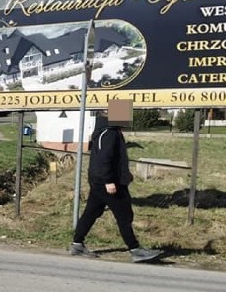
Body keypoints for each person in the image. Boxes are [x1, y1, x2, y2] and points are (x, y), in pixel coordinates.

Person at [70, 105, 163, 263]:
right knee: (124, 215)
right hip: (108, 183)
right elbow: (104, 159)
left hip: (98, 181)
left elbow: (110, 159)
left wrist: (124, 173)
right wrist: (109, 181)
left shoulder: (104, 131)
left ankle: (77, 244)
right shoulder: (110, 134)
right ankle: (135, 250)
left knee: (91, 213)